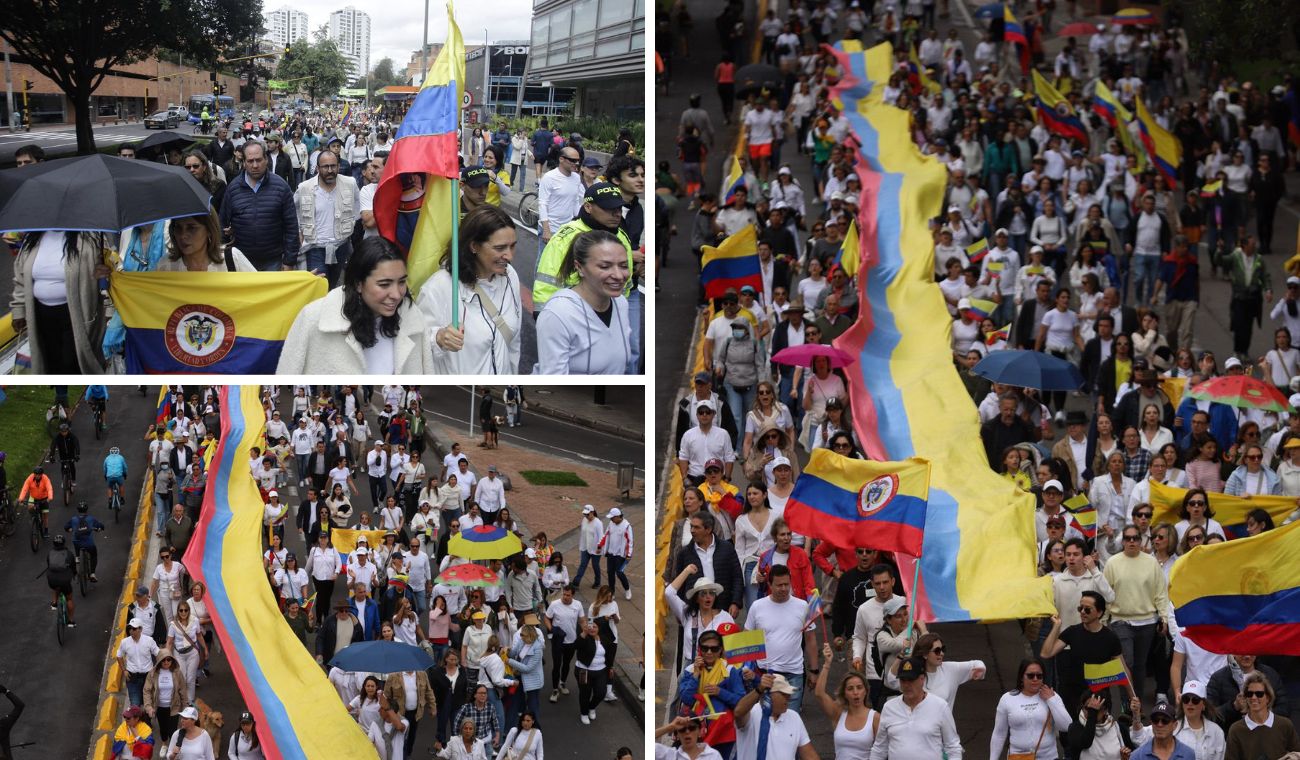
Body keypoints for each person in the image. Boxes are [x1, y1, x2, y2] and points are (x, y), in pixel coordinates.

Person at [278, 236, 434, 374]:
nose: (396, 294)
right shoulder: (312, 319)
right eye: (384, 284)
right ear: (358, 284)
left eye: (401, 282)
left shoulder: (414, 317)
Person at [417, 205, 522, 375]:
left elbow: (514, 342)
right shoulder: (439, 287)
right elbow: (416, 347)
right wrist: (438, 338)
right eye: (500, 248)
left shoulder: (511, 276)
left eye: (512, 246)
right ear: (474, 246)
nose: (509, 256)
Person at [9, 231, 113, 372]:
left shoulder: (90, 238)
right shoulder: (32, 239)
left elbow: (110, 272)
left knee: (72, 363)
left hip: (78, 314)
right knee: (51, 361)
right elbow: (20, 278)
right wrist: (18, 311)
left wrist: (103, 273)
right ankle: (60, 392)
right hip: (41, 315)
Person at [536, 229, 632, 374]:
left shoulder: (621, 304)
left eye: (624, 266)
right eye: (605, 266)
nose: (619, 276)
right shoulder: (558, 314)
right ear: (580, 268)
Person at [218, 140, 299, 272]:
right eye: (250, 161)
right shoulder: (233, 189)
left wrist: (289, 261)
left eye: (258, 160)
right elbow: (222, 224)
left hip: (273, 261)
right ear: (243, 162)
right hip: (241, 262)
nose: (255, 165)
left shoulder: (281, 187)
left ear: (266, 159)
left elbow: (291, 226)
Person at [294, 147, 360, 287]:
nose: (330, 170)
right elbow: (295, 213)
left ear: (338, 166)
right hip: (315, 247)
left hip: (341, 245)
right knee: (319, 286)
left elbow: (356, 208)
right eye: (325, 167)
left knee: (334, 284)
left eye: (333, 166)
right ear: (317, 168)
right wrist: (300, 232)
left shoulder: (350, 183)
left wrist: (348, 226)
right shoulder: (304, 188)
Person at [989, 658, 1072, 760]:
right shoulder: (1007, 699)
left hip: (1048, 757)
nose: (1035, 679)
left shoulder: (1052, 696)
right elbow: (999, 733)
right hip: (1018, 757)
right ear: (1021, 677)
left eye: (1039, 676)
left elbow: (1066, 726)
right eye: (1030, 675)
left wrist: (1051, 700)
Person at [813, 644, 880, 758]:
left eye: (859, 687)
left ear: (865, 691)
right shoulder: (838, 714)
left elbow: (882, 750)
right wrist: (827, 664)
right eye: (850, 688)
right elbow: (819, 693)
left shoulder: (875, 717)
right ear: (844, 693)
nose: (855, 692)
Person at [537, 145, 584, 247]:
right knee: (544, 261)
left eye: (578, 160)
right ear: (561, 159)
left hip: (567, 229)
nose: (576, 163)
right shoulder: (549, 177)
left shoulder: (576, 178)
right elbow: (542, 203)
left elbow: (575, 201)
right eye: (573, 160)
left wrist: (579, 222)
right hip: (551, 229)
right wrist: (546, 229)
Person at [117, 617, 161, 707]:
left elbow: (158, 654)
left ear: (140, 629)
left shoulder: (149, 640)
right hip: (132, 677)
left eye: (134, 629)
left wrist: (157, 669)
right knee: (135, 704)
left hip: (148, 677)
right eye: (130, 629)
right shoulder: (124, 642)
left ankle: (146, 721)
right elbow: (119, 656)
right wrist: (124, 670)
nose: (131, 631)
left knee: (148, 704)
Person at [64, 501, 105, 582]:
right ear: (87, 510)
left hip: (77, 543)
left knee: (75, 541)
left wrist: (69, 529)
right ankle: (92, 574)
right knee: (93, 554)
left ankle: (77, 557)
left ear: (78, 510)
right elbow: (101, 525)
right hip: (89, 544)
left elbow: (66, 527)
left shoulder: (73, 519)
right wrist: (100, 528)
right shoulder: (91, 518)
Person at [46, 533, 77, 626]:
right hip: (64, 580)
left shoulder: (50, 553)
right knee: (69, 599)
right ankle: (71, 621)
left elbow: (49, 565)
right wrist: (74, 574)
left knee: (55, 586)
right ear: (64, 543)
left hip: (51, 579)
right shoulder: (69, 554)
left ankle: (54, 603)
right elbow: (73, 567)